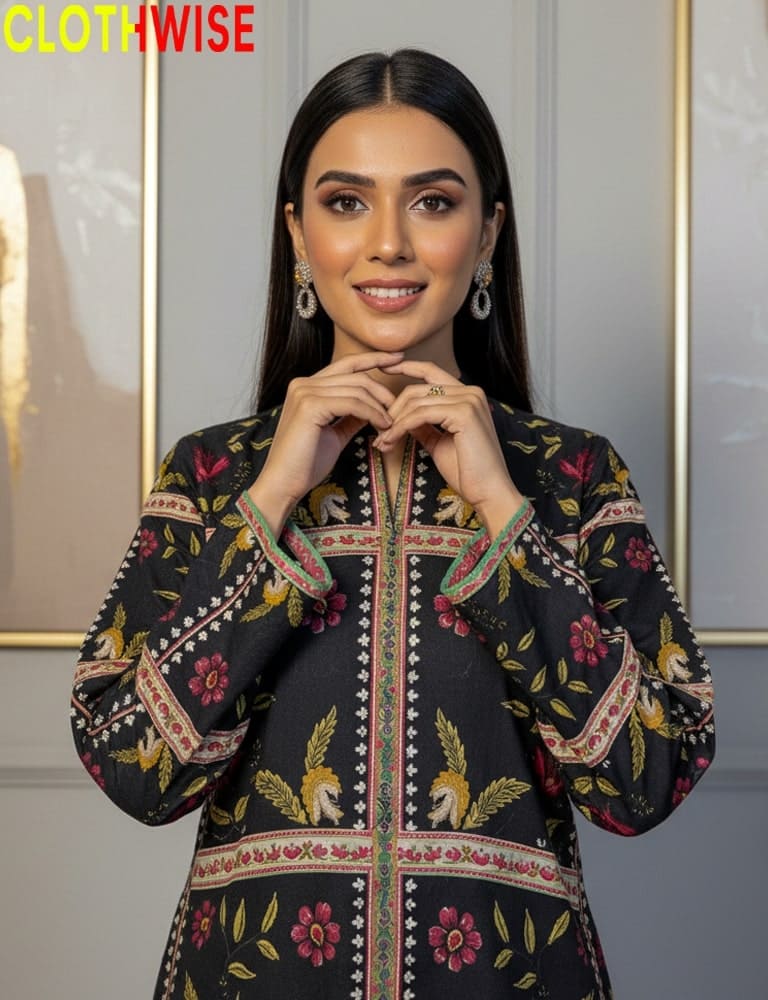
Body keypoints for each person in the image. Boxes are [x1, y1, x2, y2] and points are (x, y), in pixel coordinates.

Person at [71, 49, 714, 1000]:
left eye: (433, 201)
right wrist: (274, 496)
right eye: (344, 202)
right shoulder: (212, 474)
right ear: (297, 233)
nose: (387, 245)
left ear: (488, 232)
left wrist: (502, 510)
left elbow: (646, 779)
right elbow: (137, 769)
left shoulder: (573, 475)